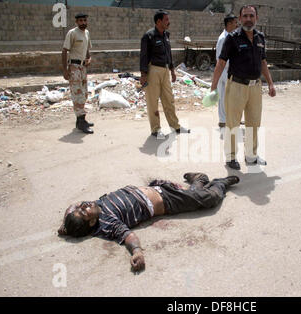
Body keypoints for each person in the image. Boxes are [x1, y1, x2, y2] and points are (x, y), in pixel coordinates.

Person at [57, 173, 240, 272]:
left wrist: (67, 224)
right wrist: (136, 251)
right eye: (83, 211)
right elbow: (128, 235)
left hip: (155, 188)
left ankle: (199, 181)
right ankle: (218, 183)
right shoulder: (107, 223)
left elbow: (72, 206)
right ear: (91, 223)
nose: (83, 205)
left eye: (80, 208)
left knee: (195, 196)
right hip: (167, 200)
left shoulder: (94, 206)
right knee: (210, 199)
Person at [210, 5, 276, 170]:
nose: (248, 19)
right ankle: (231, 157)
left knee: (254, 123)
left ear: (256, 18)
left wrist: (270, 83)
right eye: (245, 16)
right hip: (237, 86)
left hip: (255, 87)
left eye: (251, 16)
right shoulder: (232, 38)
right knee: (233, 123)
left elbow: (263, 62)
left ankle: (251, 155)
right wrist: (213, 86)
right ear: (240, 19)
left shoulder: (260, 38)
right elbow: (221, 62)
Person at [140, 10, 190, 139]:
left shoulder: (166, 35)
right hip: (153, 70)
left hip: (165, 70)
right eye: (166, 20)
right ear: (158, 21)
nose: (169, 22)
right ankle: (156, 130)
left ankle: (175, 126)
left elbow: (169, 54)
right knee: (153, 101)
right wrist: (143, 74)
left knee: (169, 100)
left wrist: (172, 70)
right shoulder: (149, 36)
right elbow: (144, 56)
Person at [62, 13, 94, 134]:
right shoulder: (72, 33)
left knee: (84, 93)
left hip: (83, 67)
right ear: (76, 22)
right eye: (80, 21)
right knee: (77, 93)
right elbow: (64, 50)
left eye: (84, 20)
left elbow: (87, 49)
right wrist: (65, 69)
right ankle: (81, 122)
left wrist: (89, 58)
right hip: (74, 67)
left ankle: (79, 121)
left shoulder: (87, 33)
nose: (83, 22)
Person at [216, 13, 238, 129]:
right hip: (224, 71)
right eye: (235, 22)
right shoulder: (223, 38)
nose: (236, 25)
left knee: (229, 97)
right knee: (223, 96)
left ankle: (228, 118)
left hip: (230, 71)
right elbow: (220, 58)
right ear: (229, 24)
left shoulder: (231, 37)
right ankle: (223, 120)